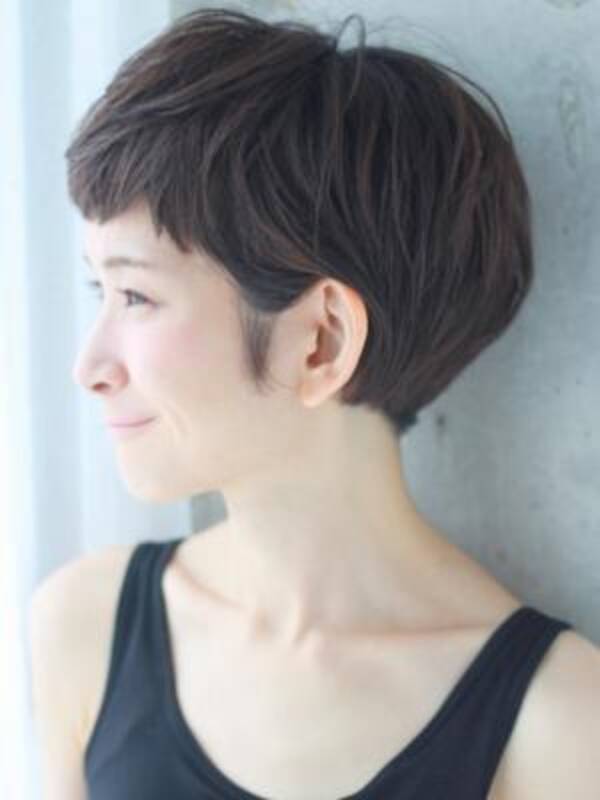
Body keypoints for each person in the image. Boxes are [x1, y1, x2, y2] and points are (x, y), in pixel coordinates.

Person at [29, 8, 600, 800]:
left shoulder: (561, 723)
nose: (88, 367)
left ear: (322, 341)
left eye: (136, 296)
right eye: (102, 289)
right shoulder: (82, 628)